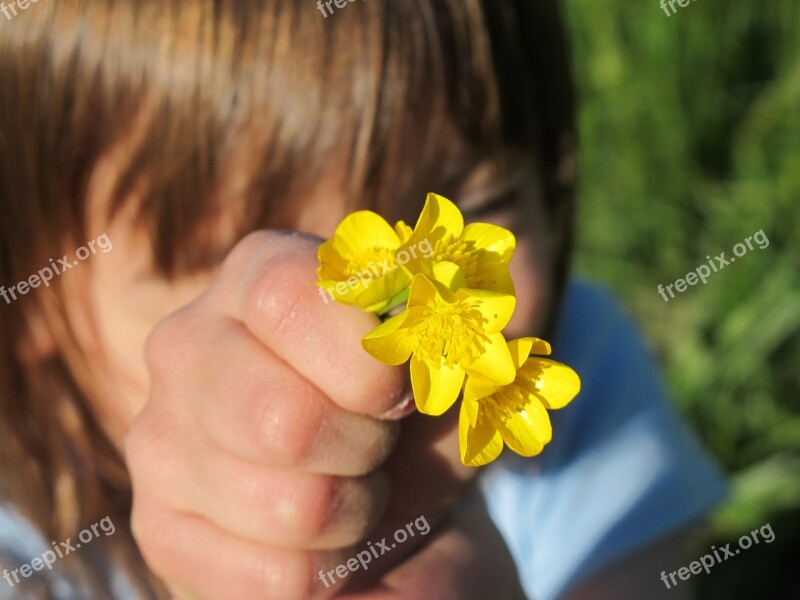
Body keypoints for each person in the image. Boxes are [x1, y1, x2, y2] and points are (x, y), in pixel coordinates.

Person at [0, 1, 726, 598]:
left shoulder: (583, 377)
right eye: (242, 249)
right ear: (31, 299)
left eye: (475, 200)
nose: (350, 313)